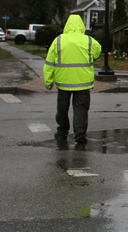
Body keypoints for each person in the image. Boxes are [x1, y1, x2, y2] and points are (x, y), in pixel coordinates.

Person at [44, 15, 103, 145]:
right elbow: (98, 51)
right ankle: (80, 135)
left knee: (62, 109)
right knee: (81, 110)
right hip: (83, 83)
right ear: (81, 25)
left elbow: (49, 63)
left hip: (64, 82)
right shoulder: (89, 41)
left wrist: (48, 81)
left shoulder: (59, 40)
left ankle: (62, 132)